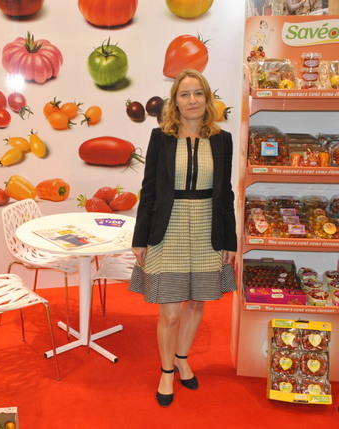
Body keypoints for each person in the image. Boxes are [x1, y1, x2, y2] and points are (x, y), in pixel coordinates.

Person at [129, 69, 237, 407]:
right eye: (185, 94)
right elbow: (149, 190)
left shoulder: (222, 140)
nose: (192, 100)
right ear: (174, 101)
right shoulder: (160, 137)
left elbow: (226, 193)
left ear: (207, 98)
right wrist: (140, 238)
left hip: (207, 227)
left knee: (196, 303)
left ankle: (182, 358)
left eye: (198, 93)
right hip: (169, 227)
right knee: (171, 312)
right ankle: (166, 371)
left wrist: (230, 241)